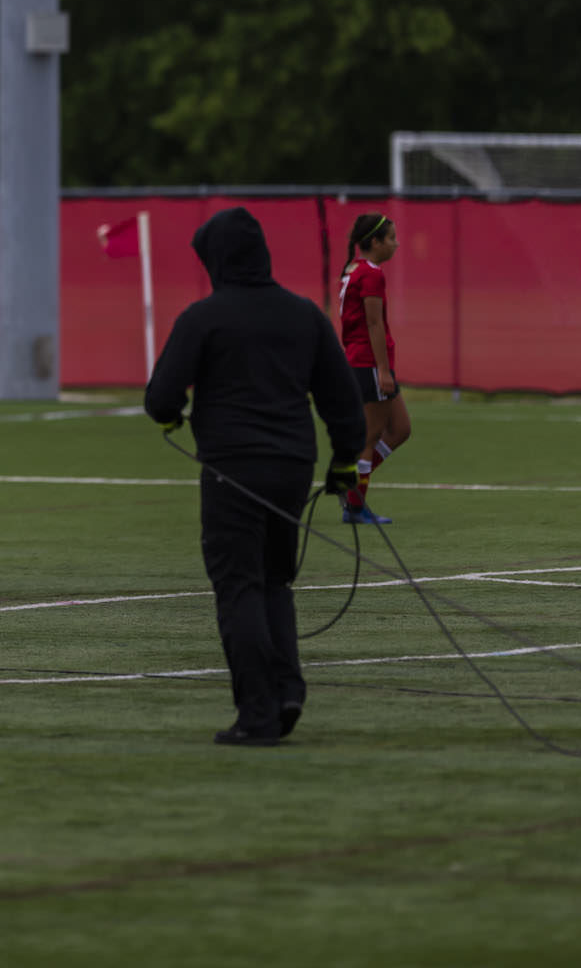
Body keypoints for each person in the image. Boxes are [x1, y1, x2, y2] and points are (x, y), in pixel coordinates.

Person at [145, 207, 365, 747]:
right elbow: (345, 405)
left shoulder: (203, 317)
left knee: (238, 586)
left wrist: (175, 418)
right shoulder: (304, 315)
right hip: (292, 469)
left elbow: (160, 400)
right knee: (274, 582)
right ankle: (287, 690)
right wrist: (342, 465)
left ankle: (258, 715)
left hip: (231, 472)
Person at [338, 213, 411, 525]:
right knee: (371, 436)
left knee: (401, 429)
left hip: (367, 361)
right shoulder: (370, 274)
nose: (395, 244)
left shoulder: (356, 268)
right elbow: (373, 322)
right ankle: (354, 506)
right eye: (391, 238)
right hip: (368, 362)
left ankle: (349, 487)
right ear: (375, 242)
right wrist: (382, 370)